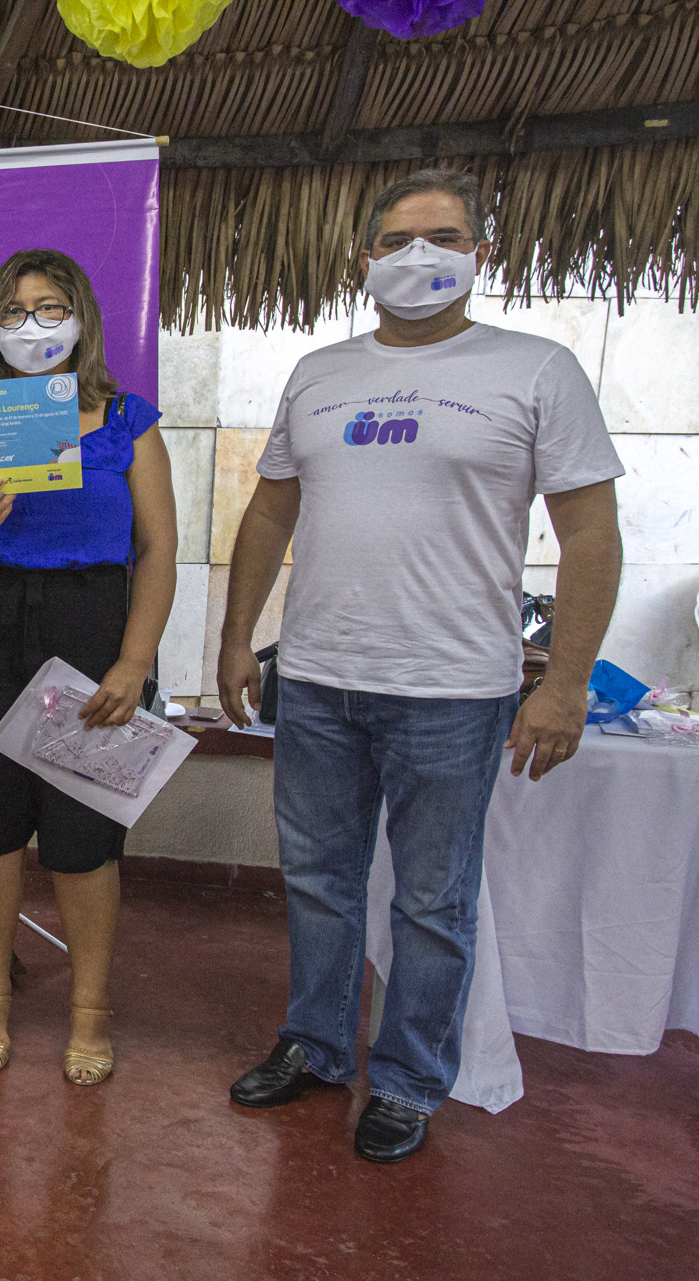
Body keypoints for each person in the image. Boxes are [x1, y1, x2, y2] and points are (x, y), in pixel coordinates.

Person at [220, 169, 624, 1163]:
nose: (416, 257)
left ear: (477, 253)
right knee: (317, 877)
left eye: (439, 237)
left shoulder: (534, 371)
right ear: (362, 258)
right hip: (316, 675)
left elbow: (589, 531)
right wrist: (233, 636)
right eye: (394, 239)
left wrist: (565, 680)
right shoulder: (317, 371)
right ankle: (315, 1046)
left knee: (431, 899)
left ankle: (405, 1079)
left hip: (455, 689)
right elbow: (271, 506)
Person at [0, 249, 177, 1082]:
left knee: (82, 840)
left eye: (50, 307)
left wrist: (133, 660)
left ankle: (90, 1010)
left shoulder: (128, 418)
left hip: (89, 634)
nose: (33, 325)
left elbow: (159, 549)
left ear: (83, 318)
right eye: (14, 311)